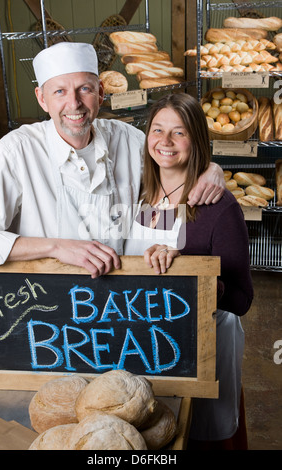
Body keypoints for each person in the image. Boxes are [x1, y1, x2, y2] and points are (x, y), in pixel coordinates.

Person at [0, 42, 224, 278]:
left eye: (84, 89)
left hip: (122, 301)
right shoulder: (16, 152)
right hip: (44, 300)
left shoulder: (128, 140)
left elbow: (169, 188)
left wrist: (210, 168)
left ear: (100, 92)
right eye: (59, 91)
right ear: (42, 98)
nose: (74, 103)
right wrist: (55, 247)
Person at [124, 93, 254, 450]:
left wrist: (187, 270)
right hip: (148, 339)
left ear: (196, 139)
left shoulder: (217, 206)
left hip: (206, 345)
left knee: (203, 434)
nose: (165, 142)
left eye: (178, 133)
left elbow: (242, 299)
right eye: (157, 130)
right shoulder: (134, 194)